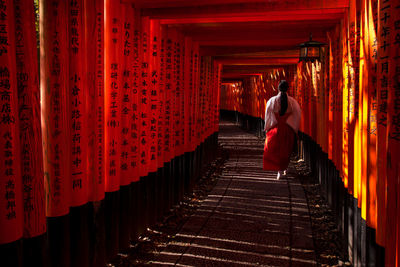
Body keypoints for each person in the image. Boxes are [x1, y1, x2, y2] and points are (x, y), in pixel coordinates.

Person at [263, 80, 301, 179]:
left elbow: (268, 115)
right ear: (288, 88)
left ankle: (279, 171)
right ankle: (284, 168)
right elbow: (297, 115)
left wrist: (267, 128)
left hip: (275, 129)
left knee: (276, 150)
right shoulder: (292, 102)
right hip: (287, 129)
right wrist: (294, 128)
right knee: (286, 150)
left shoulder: (272, 100)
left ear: (278, 88)